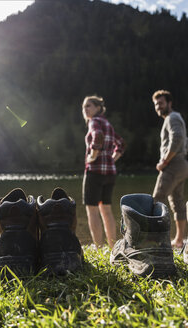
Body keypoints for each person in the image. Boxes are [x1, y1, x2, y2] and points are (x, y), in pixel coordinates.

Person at [82, 95, 125, 248]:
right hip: (110, 174)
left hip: (95, 172)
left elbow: (98, 137)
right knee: (106, 210)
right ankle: (113, 248)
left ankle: (99, 248)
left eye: (89, 106)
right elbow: (121, 143)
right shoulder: (108, 123)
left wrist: (92, 157)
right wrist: (112, 159)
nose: (85, 109)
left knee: (92, 211)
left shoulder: (94, 122)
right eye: (84, 106)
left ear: (98, 108)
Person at [151, 90, 188, 249]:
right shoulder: (174, 117)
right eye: (155, 104)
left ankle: (157, 241)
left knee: (156, 200)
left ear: (169, 103)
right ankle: (179, 240)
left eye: (161, 103)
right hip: (182, 165)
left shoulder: (172, 117)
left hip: (174, 164)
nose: (158, 107)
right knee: (177, 202)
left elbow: (178, 137)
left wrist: (164, 161)